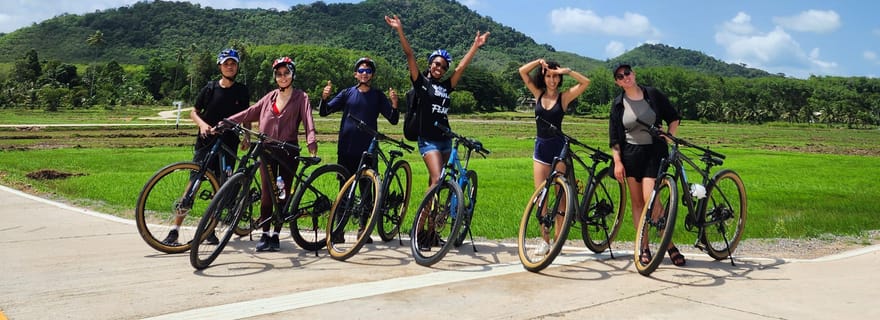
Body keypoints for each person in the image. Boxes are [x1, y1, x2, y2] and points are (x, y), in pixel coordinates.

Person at [385, 14, 489, 250]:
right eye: (436, 63)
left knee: (441, 185)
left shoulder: (446, 86)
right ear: (430, 64)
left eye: (443, 66)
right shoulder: (421, 83)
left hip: (445, 140)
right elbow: (409, 55)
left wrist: (475, 46)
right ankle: (418, 231)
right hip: (428, 142)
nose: (439, 68)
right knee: (436, 180)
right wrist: (400, 30)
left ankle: (432, 233)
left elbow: (462, 67)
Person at [225, 56, 318, 252]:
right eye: (279, 74)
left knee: (282, 192)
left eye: (286, 73)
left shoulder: (301, 97)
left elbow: (308, 121)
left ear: (292, 74)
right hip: (266, 150)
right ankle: (265, 233)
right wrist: (227, 121)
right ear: (275, 77)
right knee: (267, 193)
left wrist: (311, 142)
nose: (283, 77)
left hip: (288, 151)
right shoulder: (270, 97)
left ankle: (276, 234)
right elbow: (250, 112)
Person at [162, 48, 250, 246]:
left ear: (237, 67)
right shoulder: (210, 88)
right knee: (194, 184)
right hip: (206, 142)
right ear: (220, 66)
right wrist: (202, 125)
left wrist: (247, 136)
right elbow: (193, 112)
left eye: (233, 64)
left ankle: (210, 230)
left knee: (220, 186)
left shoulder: (242, 90)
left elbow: (246, 115)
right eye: (226, 64)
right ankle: (174, 230)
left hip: (229, 143)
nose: (230, 67)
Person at [608, 63, 685, 266]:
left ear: (634, 74)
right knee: (637, 203)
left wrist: (669, 136)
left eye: (627, 73)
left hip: (654, 152)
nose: (625, 77)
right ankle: (644, 246)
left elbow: (674, 117)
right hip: (630, 155)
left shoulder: (652, 94)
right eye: (620, 76)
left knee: (652, 199)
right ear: (617, 82)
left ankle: (668, 244)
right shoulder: (618, 104)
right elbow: (614, 138)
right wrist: (617, 162)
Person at [319, 57, 400, 244]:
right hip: (346, 149)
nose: (364, 74)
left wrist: (395, 103)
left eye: (368, 71)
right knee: (344, 190)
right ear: (355, 74)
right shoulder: (347, 93)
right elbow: (324, 111)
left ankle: (363, 230)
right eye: (361, 71)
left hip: (368, 150)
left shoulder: (378, 96)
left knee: (366, 190)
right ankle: (338, 230)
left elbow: (393, 119)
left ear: (372, 75)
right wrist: (324, 98)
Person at [518, 59, 591, 255]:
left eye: (555, 76)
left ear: (560, 79)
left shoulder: (563, 98)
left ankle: (558, 240)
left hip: (558, 150)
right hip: (541, 150)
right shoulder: (538, 94)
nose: (552, 80)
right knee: (541, 197)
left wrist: (567, 70)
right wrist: (538, 62)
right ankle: (545, 240)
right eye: (549, 76)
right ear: (543, 77)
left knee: (561, 197)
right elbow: (522, 72)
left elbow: (585, 83)